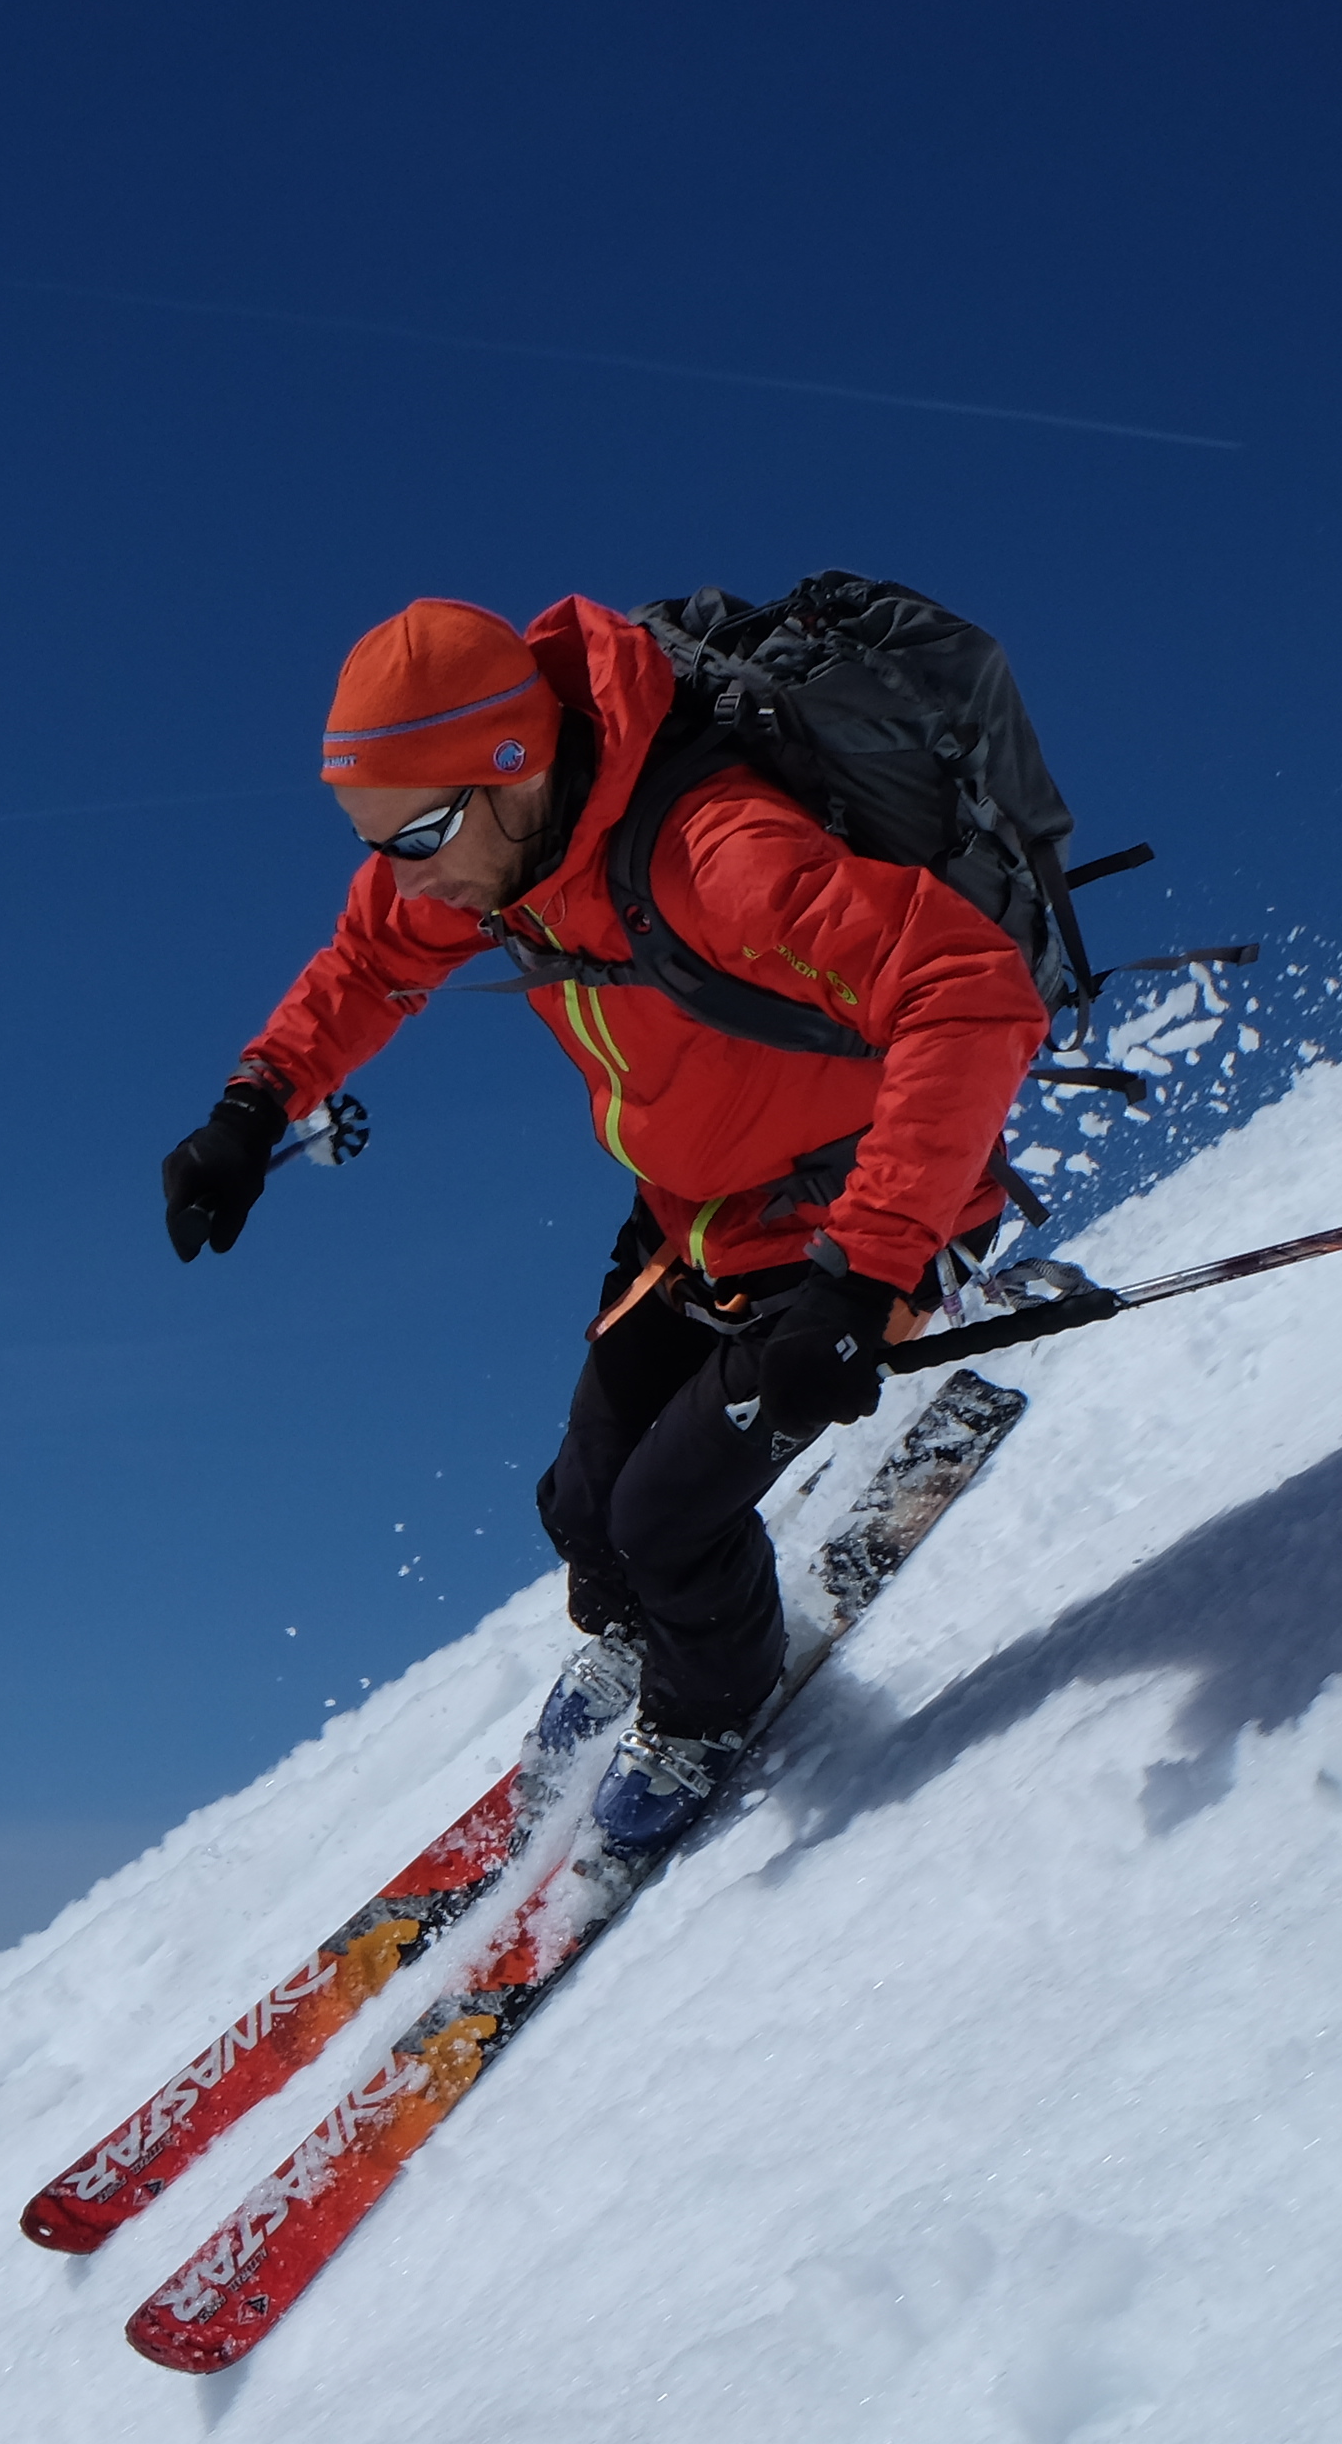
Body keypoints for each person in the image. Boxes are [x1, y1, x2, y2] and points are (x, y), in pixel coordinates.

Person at [161, 592, 1048, 1856]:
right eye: (380, 845)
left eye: (417, 833)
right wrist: (251, 1109)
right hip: (690, 1227)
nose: (410, 877)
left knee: (667, 1516)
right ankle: (651, 1632)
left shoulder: (716, 853)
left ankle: (709, 1706)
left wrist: (867, 1279)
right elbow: (366, 963)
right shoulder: (483, 859)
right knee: (583, 1506)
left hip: (849, 1226)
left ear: (512, 769)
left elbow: (970, 995)